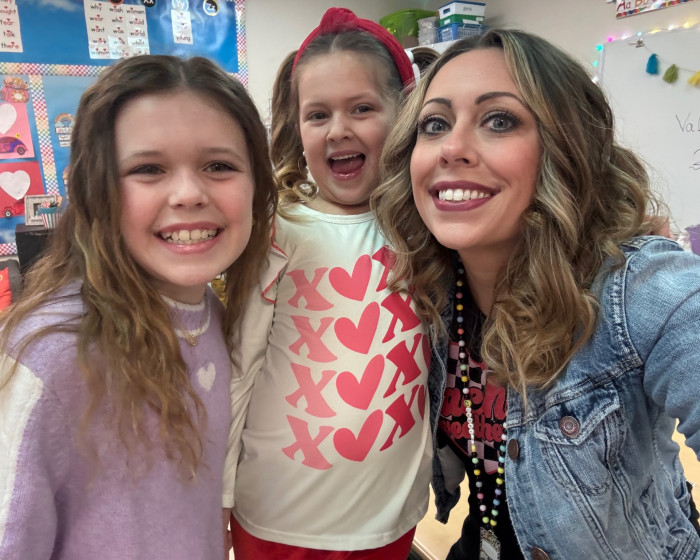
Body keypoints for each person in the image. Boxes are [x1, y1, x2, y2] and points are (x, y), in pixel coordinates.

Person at [372, 28, 700, 560]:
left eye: (499, 120)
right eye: (435, 124)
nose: (451, 148)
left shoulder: (636, 289)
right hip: (488, 536)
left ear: (565, 148)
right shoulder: (428, 292)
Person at [0, 54, 276, 559]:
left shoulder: (209, 314)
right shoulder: (53, 356)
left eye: (219, 166)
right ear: (96, 190)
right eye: (148, 169)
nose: (188, 193)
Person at [221, 7, 432, 560]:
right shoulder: (279, 229)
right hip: (281, 520)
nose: (339, 129)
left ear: (404, 114)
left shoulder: (426, 225)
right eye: (318, 114)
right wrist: (217, 495)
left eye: (362, 108)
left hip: (390, 516)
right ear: (298, 128)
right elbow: (239, 366)